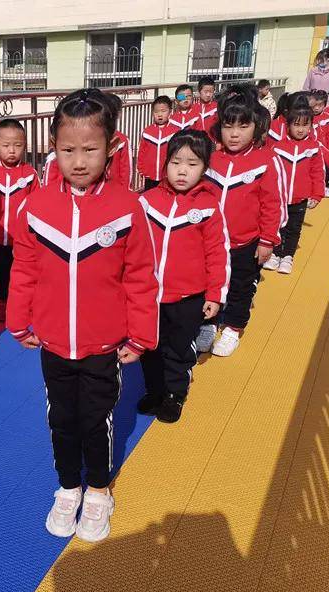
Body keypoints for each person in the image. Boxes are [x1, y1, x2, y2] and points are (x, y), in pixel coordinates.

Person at [7, 88, 159, 543]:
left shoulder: (128, 207)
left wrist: (139, 336)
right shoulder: (35, 207)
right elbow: (25, 269)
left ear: (110, 149)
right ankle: (68, 486)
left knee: (96, 420)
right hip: (52, 340)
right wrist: (19, 321)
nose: (77, 160)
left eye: (89, 149)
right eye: (67, 149)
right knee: (60, 419)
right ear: (52, 147)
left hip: (104, 343)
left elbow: (141, 278)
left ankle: (98, 489)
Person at [138, 130, 229, 423]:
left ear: (204, 169)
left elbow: (218, 252)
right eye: (176, 162)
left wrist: (215, 295)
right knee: (149, 346)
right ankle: (154, 390)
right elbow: (131, 246)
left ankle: (175, 394)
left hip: (187, 297)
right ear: (165, 164)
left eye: (192, 163)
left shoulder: (208, 206)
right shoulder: (147, 201)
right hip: (149, 294)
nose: (182, 170)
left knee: (178, 349)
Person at [198, 84, 286, 357]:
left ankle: (234, 327)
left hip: (245, 242)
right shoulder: (211, 158)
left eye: (243, 126)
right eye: (228, 125)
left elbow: (273, 204)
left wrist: (267, 240)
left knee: (240, 285)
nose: (235, 134)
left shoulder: (266, 160)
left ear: (256, 128)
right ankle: (209, 324)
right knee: (209, 283)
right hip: (210, 242)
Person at [0, 119, 39, 322]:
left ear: (25, 145)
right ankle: (1, 302)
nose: (12, 150)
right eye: (6, 146)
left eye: (18, 145)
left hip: (22, 239)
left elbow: (37, 206)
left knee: (23, 274)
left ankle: (24, 306)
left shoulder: (30, 174)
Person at [264, 105, 325, 275]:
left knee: (293, 228)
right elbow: (271, 173)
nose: (300, 129)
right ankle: (275, 254)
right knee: (279, 226)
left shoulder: (313, 148)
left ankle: (287, 256)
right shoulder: (277, 147)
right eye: (296, 125)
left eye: (305, 125)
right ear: (288, 125)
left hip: (300, 199)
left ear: (311, 126)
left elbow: (318, 173)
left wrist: (317, 194)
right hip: (280, 199)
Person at [42, 95, 133, 190]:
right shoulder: (37, 202)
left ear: (111, 147)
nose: (79, 164)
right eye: (68, 150)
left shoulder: (127, 203)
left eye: (90, 150)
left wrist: (124, 192)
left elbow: (126, 170)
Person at [137, 95, 178, 191]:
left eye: (163, 111)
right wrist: (141, 170)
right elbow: (141, 152)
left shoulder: (176, 131)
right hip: (149, 175)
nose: (160, 114)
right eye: (156, 112)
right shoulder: (147, 131)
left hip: (167, 175)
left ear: (170, 112)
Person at [308, 90, 329, 197]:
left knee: (327, 169)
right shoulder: (306, 117)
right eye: (314, 105)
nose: (316, 108)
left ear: (325, 105)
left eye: (320, 105)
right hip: (311, 151)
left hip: (325, 150)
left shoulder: (327, 117)